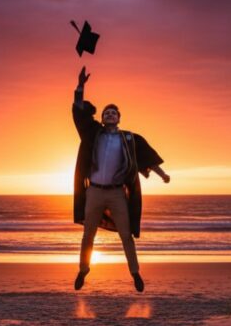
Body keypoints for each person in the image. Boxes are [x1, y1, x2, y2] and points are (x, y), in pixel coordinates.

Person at [71, 66, 170, 292]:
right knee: (88, 235)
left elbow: (147, 157)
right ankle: (83, 270)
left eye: (113, 113)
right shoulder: (92, 132)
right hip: (94, 192)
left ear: (119, 118)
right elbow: (78, 112)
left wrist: (162, 175)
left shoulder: (129, 139)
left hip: (117, 193)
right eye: (106, 112)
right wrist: (80, 86)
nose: (109, 115)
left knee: (126, 235)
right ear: (102, 117)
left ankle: (135, 273)